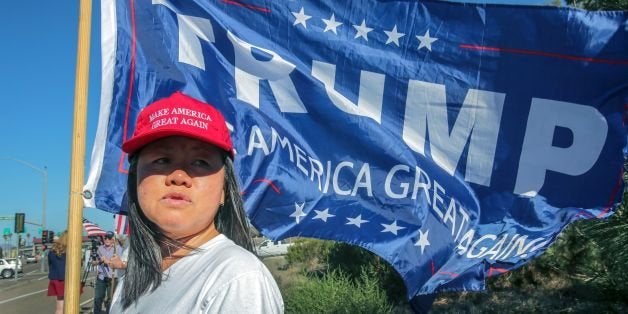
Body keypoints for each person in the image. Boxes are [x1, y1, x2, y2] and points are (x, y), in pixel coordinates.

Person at [109, 91, 283, 313]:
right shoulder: (135, 277)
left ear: (224, 191)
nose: (178, 176)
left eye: (200, 162)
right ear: (136, 181)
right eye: (162, 160)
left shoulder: (238, 279)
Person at [93, 231, 116, 314]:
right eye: (105, 238)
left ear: (113, 239)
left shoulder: (117, 249)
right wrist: (99, 261)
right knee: (98, 298)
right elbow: (93, 262)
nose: (107, 240)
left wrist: (107, 261)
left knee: (110, 299)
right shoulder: (100, 248)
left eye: (109, 238)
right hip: (101, 277)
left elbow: (118, 264)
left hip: (112, 278)